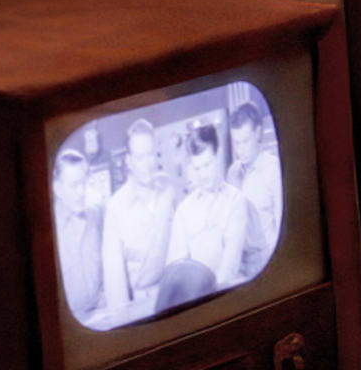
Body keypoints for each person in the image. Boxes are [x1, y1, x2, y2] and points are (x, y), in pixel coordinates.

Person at [101, 119, 175, 324]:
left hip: (177, 295)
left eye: (150, 155)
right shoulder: (116, 208)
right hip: (143, 308)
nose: (147, 164)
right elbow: (114, 280)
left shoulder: (168, 190)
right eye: (140, 157)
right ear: (129, 161)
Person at [160, 126, 243, 307]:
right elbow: (175, 268)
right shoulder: (184, 210)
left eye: (208, 165)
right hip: (196, 303)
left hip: (229, 300)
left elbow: (231, 261)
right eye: (197, 168)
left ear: (218, 156)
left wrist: (213, 302)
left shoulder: (235, 200)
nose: (203, 174)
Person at [229, 95, 282, 280]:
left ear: (258, 133)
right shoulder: (232, 173)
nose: (240, 150)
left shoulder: (273, 170)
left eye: (245, 141)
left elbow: (283, 228)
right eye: (237, 143)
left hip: (268, 262)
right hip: (241, 266)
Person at [52, 139, 105, 324]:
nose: (82, 192)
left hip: (103, 312)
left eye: (84, 183)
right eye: (74, 185)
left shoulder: (96, 212)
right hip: (70, 323)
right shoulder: (49, 232)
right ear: (57, 188)